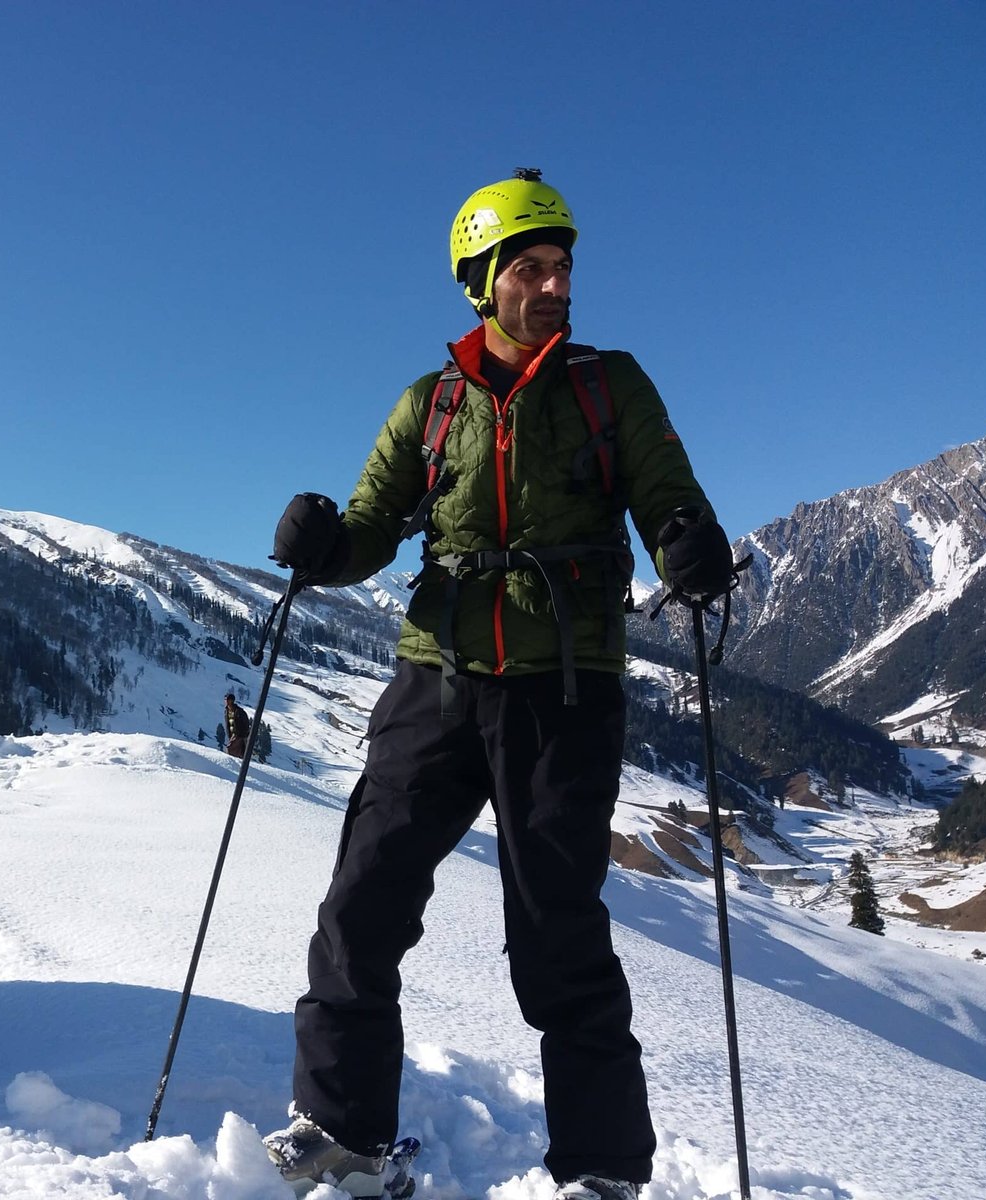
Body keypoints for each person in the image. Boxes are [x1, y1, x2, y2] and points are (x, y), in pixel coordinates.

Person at [262, 169, 736, 1200]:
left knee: (556, 933)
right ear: (482, 281)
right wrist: (322, 544)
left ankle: (601, 1171)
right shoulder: (429, 405)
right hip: (433, 680)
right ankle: (340, 1130)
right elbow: (372, 526)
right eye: (531, 268)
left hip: (564, 690)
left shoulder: (611, 389)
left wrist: (688, 544)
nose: (555, 285)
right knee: (361, 902)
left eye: (562, 267)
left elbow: (667, 495)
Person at [221, 692, 250, 757]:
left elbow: (246, 723)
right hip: (232, 735)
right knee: (237, 751)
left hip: (239, 735)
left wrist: (243, 734)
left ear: (232, 701)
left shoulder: (239, 711)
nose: (226, 701)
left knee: (230, 749)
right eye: (225, 700)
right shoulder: (227, 711)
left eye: (227, 700)